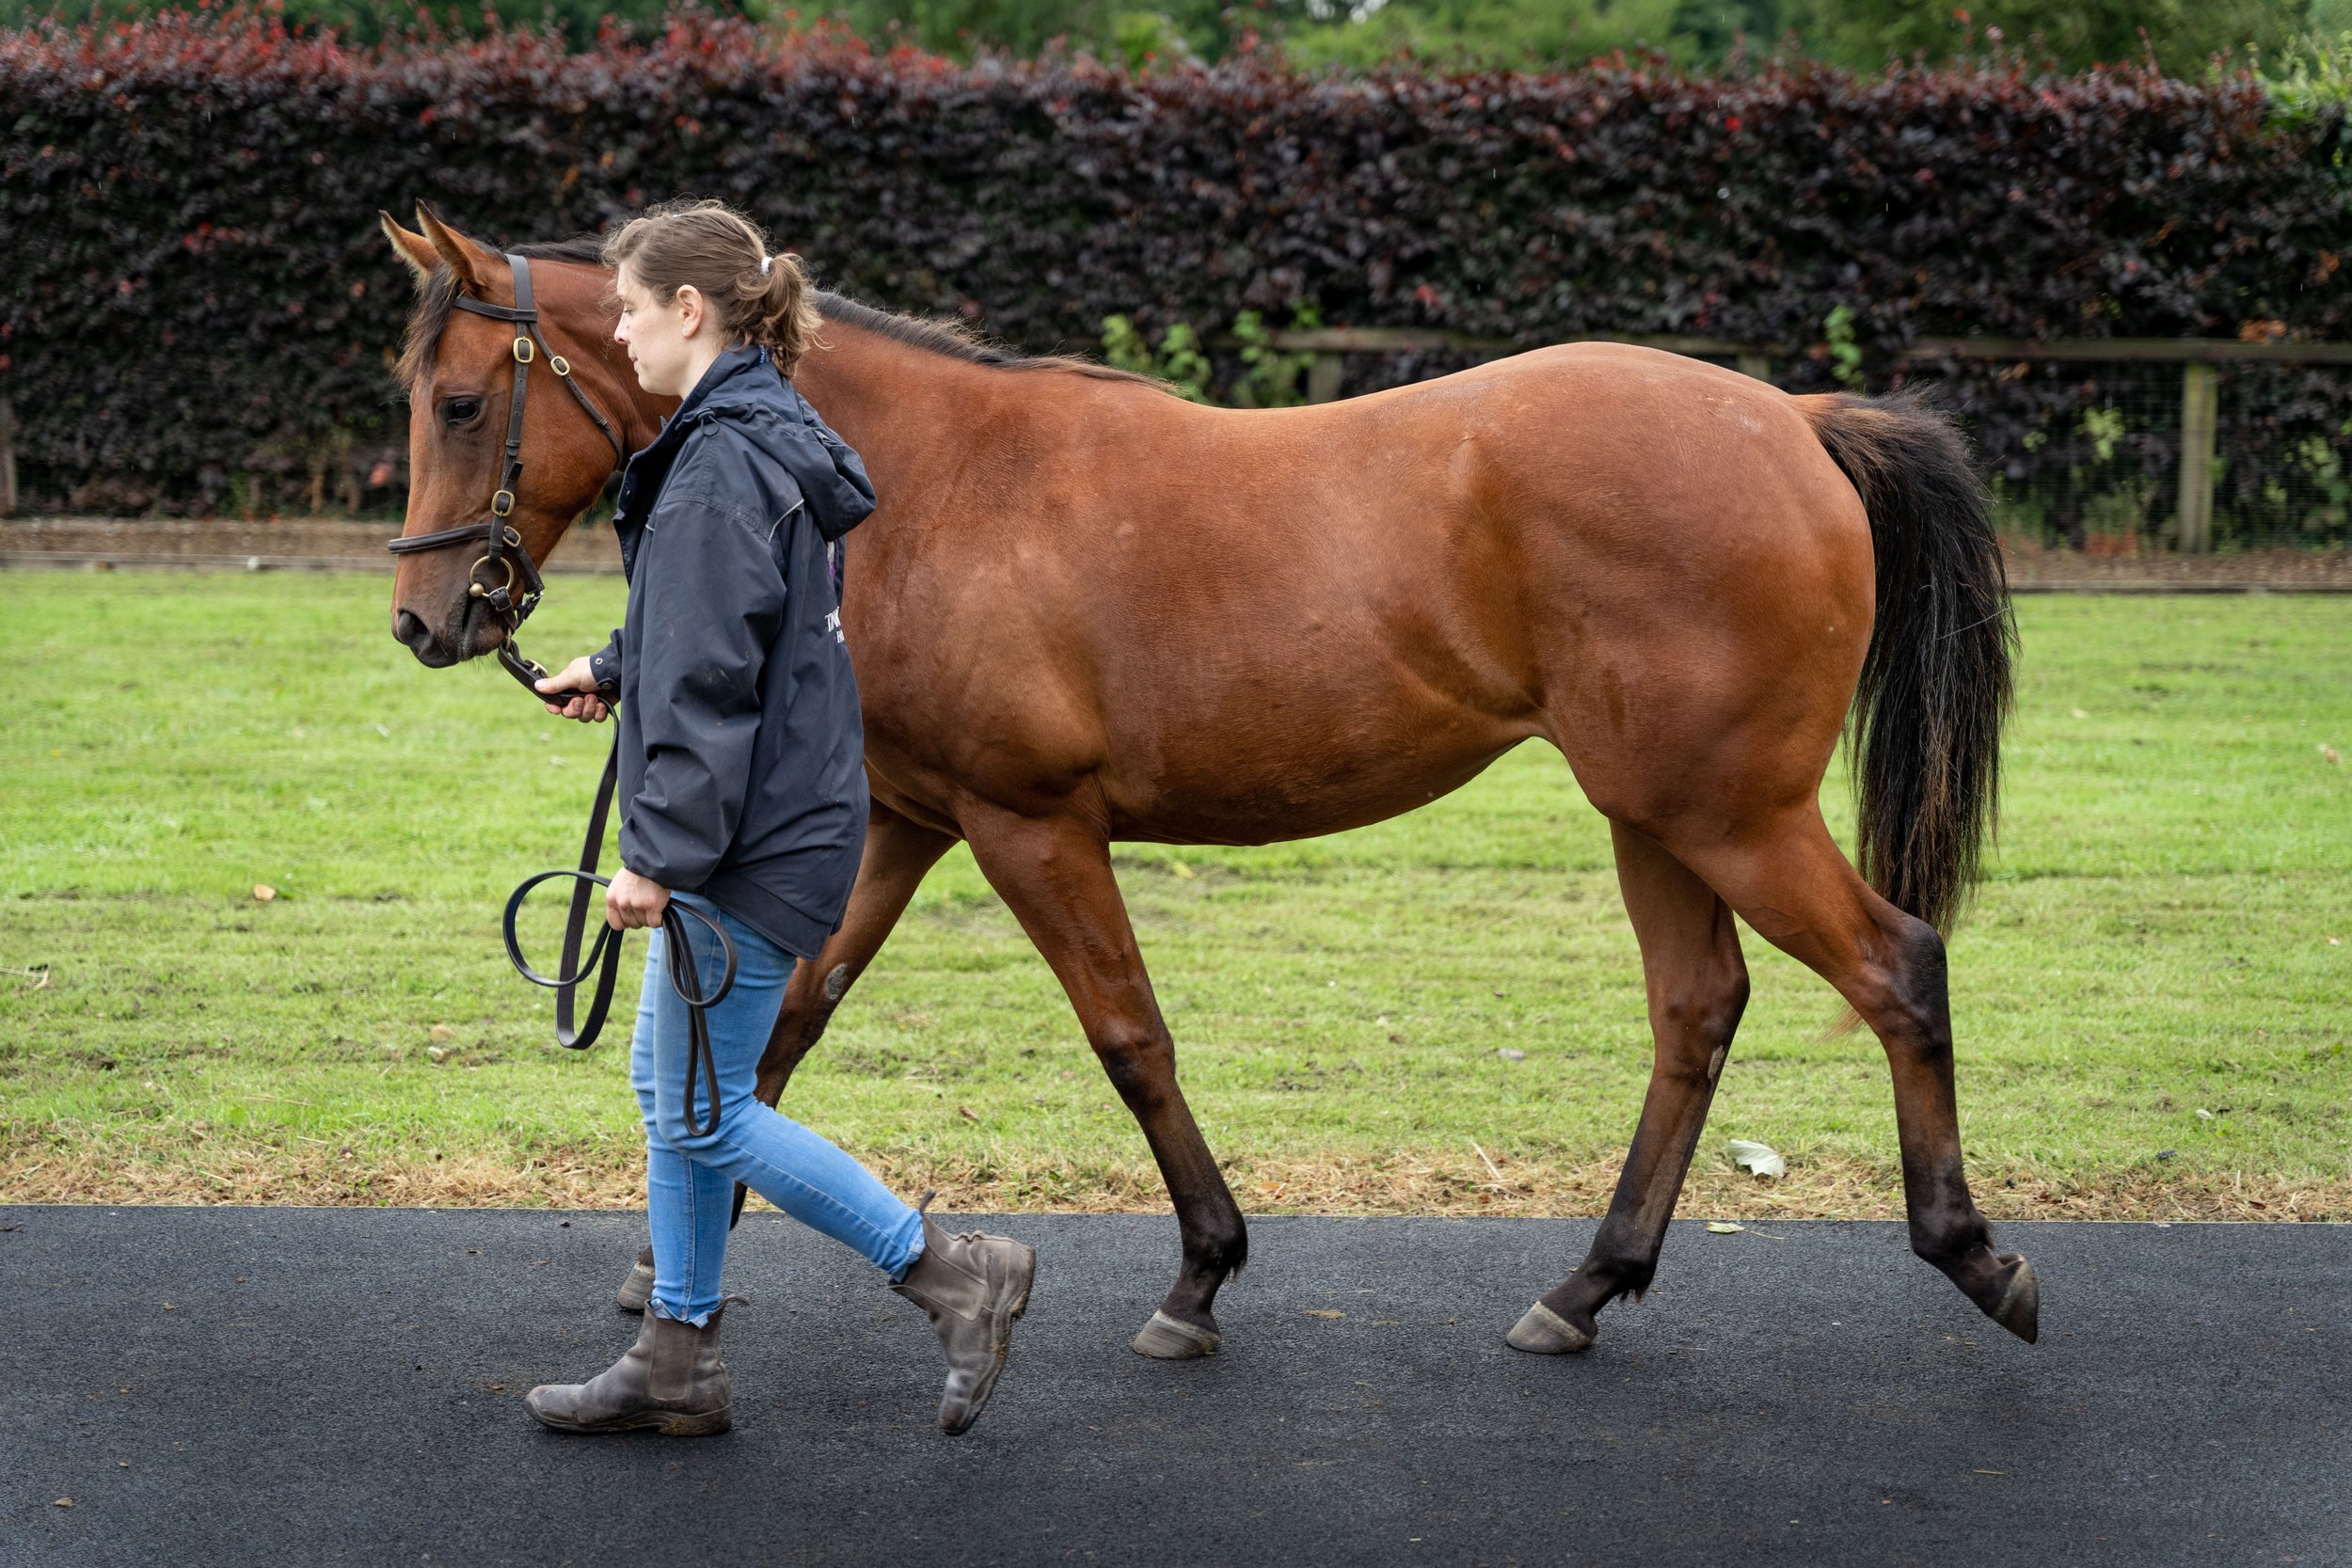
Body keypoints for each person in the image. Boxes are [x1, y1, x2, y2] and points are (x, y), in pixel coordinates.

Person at [523, 198, 1034, 1439]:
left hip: (744, 835)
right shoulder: (760, 431)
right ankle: (676, 1359)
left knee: (700, 1107)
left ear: (688, 309)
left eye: (631, 310)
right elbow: (732, 628)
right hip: (789, 814)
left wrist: (656, 859)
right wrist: (614, 662)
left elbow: (708, 683)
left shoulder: (713, 463)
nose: (624, 335)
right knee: (676, 1088)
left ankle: (951, 1272)